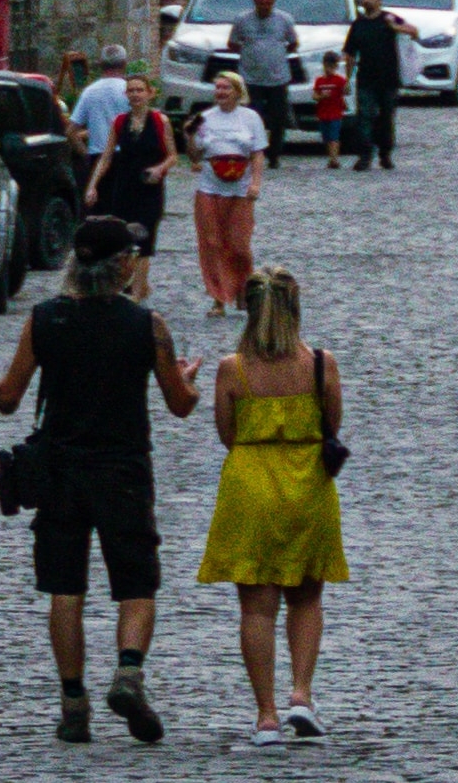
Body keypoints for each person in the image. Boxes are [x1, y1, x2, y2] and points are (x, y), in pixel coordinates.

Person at [0, 216, 205, 746]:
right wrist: (191, 381)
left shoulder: (43, 319)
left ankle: (73, 703)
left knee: (66, 588)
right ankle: (128, 671)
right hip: (123, 469)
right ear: (124, 266)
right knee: (136, 583)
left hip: (60, 470)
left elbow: (10, 399)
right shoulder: (146, 325)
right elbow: (180, 405)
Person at [198, 267, 347, 745]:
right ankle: (301, 695)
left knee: (256, 610)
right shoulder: (322, 364)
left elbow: (227, 434)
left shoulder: (231, 369)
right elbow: (333, 425)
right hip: (307, 485)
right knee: (306, 597)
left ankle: (265, 716)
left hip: (251, 486)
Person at [189, 70, 269, 317]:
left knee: (239, 245)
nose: (220, 92)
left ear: (238, 91)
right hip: (209, 189)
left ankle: (243, 290)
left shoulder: (250, 117)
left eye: (226, 88)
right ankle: (218, 298)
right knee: (211, 243)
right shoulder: (204, 118)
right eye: (218, 88)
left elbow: (257, 153)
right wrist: (190, 136)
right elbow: (194, 157)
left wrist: (255, 183)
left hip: (240, 190)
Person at [86, 80, 175, 301]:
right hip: (124, 188)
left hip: (150, 190)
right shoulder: (119, 122)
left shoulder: (160, 121)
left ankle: (136, 293)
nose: (135, 95)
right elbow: (106, 156)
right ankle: (138, 285)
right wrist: (92, 185)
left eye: (140, 90)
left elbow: (173, 155)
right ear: (126, 94)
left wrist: (159, 169)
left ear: (150, 93)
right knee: (125, 238)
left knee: (144, 240)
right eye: (132, 91)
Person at [337, 0, 407, 172]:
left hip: (389, 79)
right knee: (364, 117)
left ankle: (385, 153)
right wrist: (347, 78)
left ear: (379, 0)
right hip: (366, 78)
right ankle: (365, 155)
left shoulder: (389, 19)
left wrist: (397, 28)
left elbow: (414, 32)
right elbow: (350, 53)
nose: (366, 0)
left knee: (386, 118)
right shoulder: (358, 25)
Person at [230, 0, 298, 167]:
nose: (264, 6)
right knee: (252, 118)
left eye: (268, 2)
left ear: (274, 3)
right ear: (254, 1)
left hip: (278, 78)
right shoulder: (242, 20)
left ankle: (274, 155)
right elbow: (233, 43)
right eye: (261, 2)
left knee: (278, 119)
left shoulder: (285, 20)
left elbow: (293, 43)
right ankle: (253, 153)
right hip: (251, 78)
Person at [72, 46, 133, 163]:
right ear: (124, 64)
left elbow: (71, 131)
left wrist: (86, 156)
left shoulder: (89, 92)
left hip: (97, 155)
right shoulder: (131, 90)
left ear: (101, 65)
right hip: (125, 155)